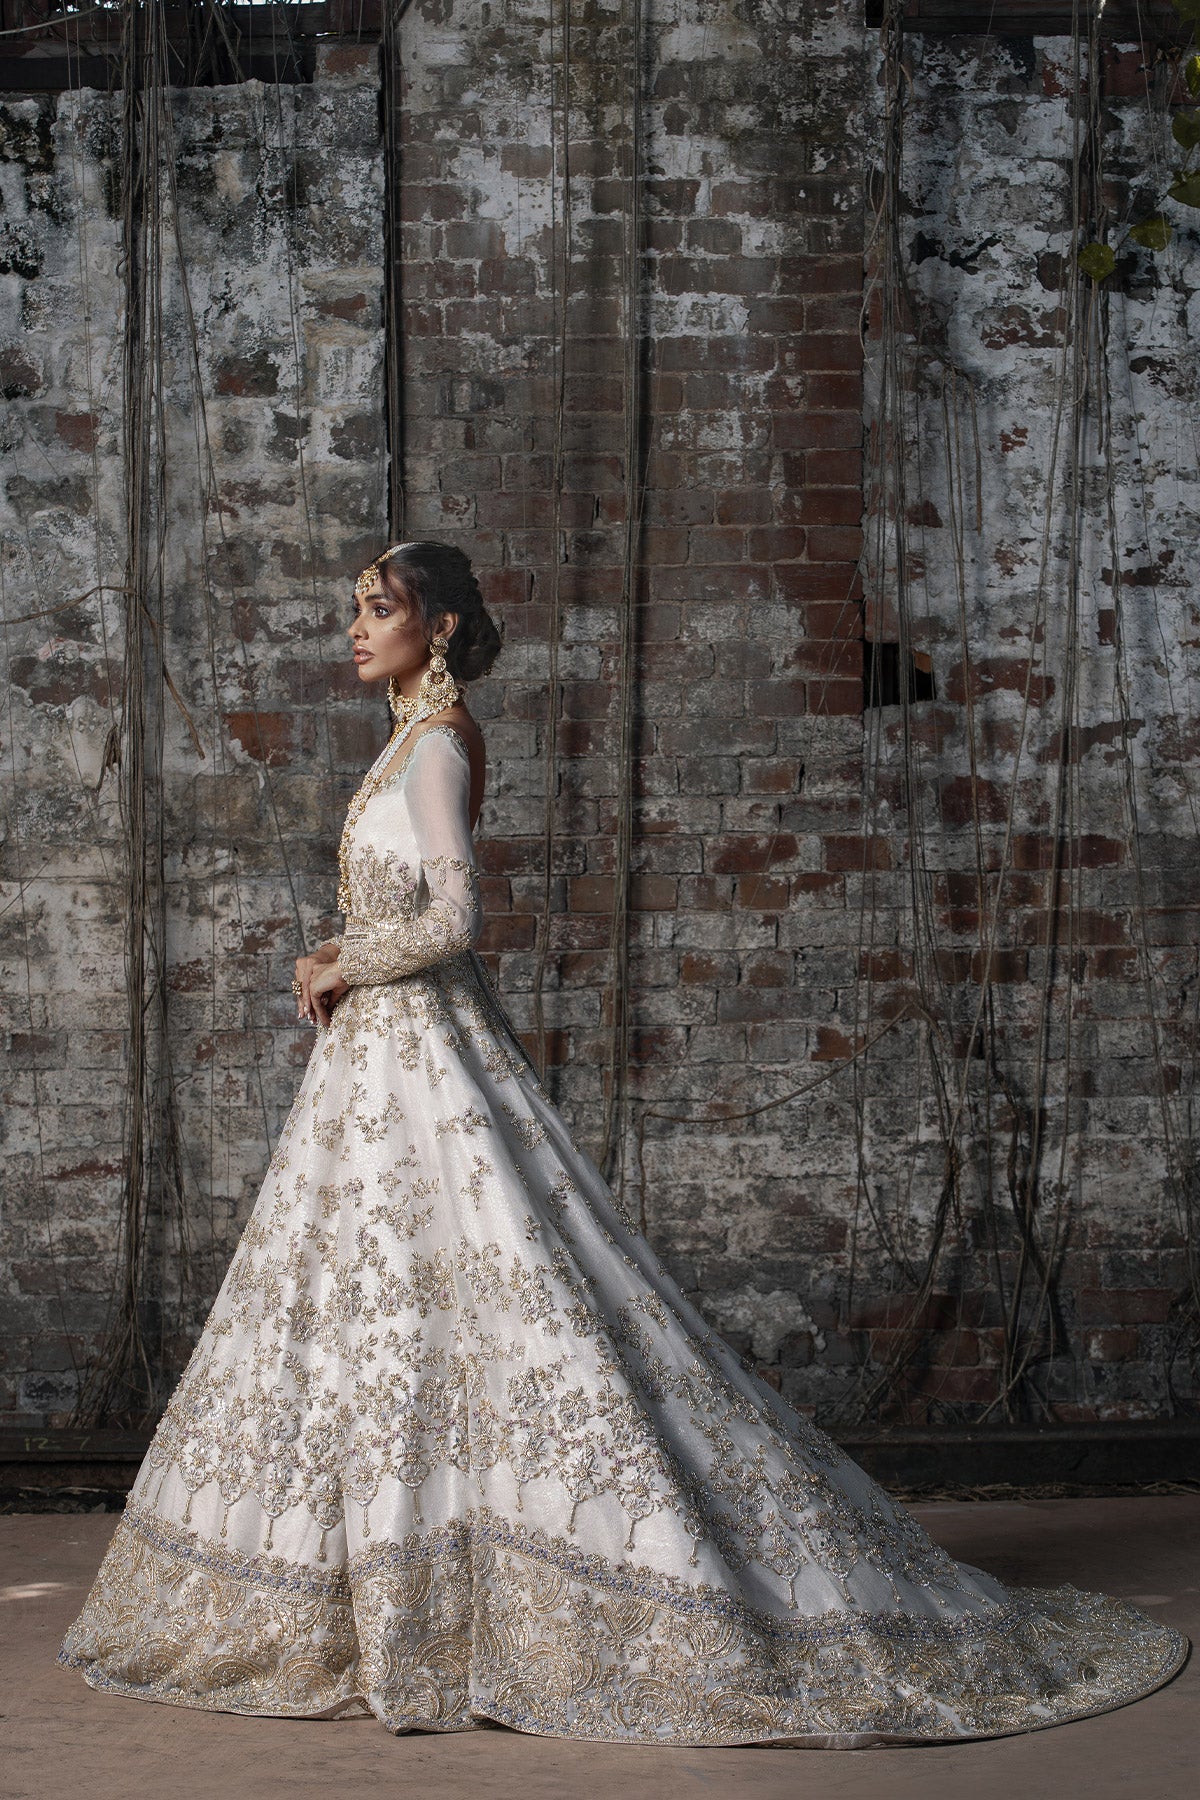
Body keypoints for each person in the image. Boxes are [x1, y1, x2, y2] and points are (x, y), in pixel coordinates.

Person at [59, 540, 1187, 1746]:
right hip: (381, 1067)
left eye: (377, 610)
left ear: (437, 629)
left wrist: (346, 958)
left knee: (501, 1295)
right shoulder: (402, 739)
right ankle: (375, 1577)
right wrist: (333, 958)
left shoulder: (437, 744)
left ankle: (507, 1580)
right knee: (372, 1313)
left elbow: (456, 915)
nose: (354, 627)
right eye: (353, 609)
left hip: (422, 1054)